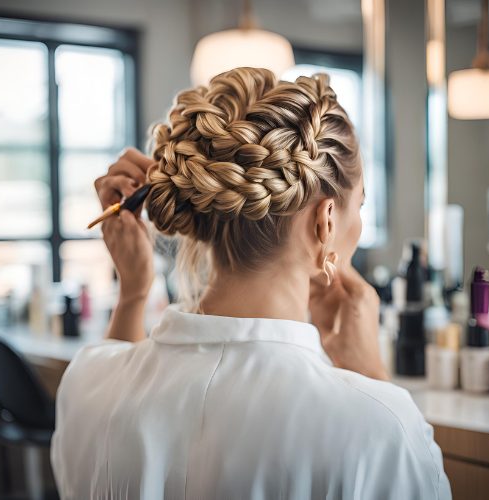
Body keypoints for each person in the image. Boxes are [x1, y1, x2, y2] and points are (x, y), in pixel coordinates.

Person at [51, 68, 451, 499]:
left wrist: (133, 293)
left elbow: (119, 371)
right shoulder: (379, 430)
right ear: (326, 222)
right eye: (361, 205)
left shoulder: (86, 385)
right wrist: (372, 379)